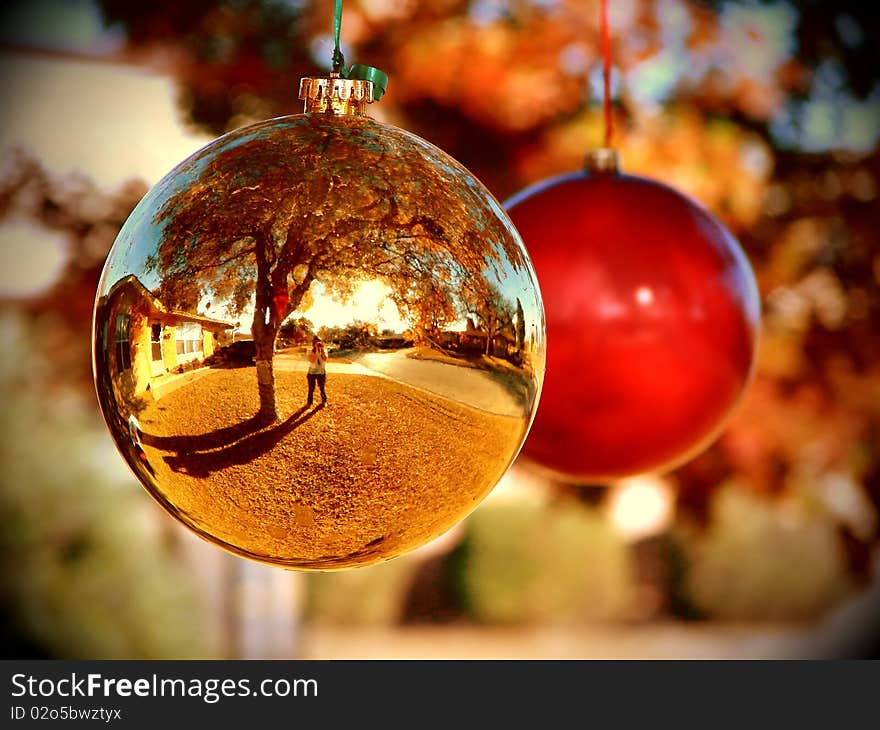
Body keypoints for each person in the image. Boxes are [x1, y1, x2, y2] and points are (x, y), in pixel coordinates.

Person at [306, 336, 328, 406]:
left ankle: (324, 401)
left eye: (319, 342)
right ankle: (309, 403)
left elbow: (325, 359)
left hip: (321, 372)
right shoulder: (309, 350)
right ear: (313, 343)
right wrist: (316, 351)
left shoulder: (324, 350)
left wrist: (321, 351)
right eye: (316, 342)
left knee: (322, 388)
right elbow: (311, 360)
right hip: (312, 372)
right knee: (311, 388)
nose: (317, 343)